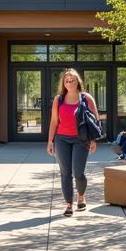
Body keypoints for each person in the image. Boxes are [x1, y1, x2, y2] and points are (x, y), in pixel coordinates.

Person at [46, 68, 98, 216]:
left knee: (78, 172)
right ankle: (69, 204)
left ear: (77, 81)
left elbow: (95, 120)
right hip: (61, 139)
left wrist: (93, 139)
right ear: (64, 83)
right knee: (65, 173)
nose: (69, 82)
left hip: (81, 139)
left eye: (72, 80)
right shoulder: (59, 99)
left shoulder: (86, 98)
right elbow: (54, 121)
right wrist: (50, 141)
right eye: (67, 80)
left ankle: (81, 195)